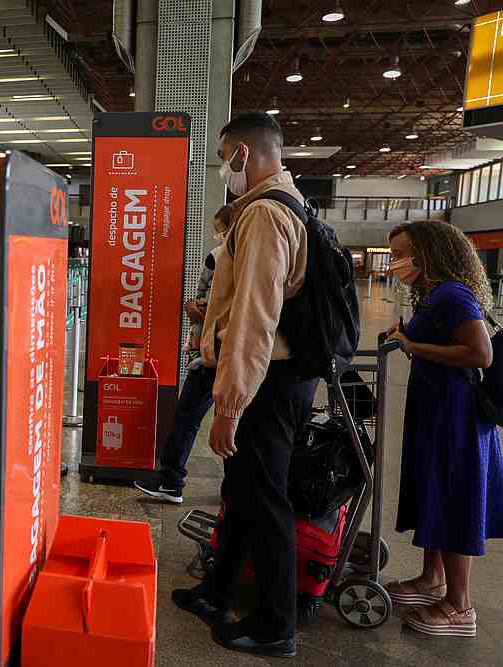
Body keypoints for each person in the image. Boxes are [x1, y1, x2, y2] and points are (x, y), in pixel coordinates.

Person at [172, 112, 314, 659]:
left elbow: (257, 318)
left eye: (223, 158)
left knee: (265, 499)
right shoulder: (274, 208)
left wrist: (229, 405)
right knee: (241, 492)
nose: (222, 170)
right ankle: (219, 589)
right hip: (267, 377)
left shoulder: (263, 216)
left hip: (267, 383)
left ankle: (276, 624)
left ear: (244, 156)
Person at [384, 221, 501, 638]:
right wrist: (402, 336)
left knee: (453, 497)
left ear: (428, 253)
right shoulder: (434, 294)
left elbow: (480, 353)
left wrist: (414, 347)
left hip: (457, 414)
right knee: (435, 490)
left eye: (402, 253)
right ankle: (432, 580)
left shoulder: (453, 293)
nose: (397, 262)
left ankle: (460, 606)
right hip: (436, 408)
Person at [136, 244, 222, 503]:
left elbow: (219, 303)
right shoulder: (238, 252)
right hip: (224, 350)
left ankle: (171, 480)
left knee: (188, 414)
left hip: (216, 351)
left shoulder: (226, 255)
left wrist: (199, 312)